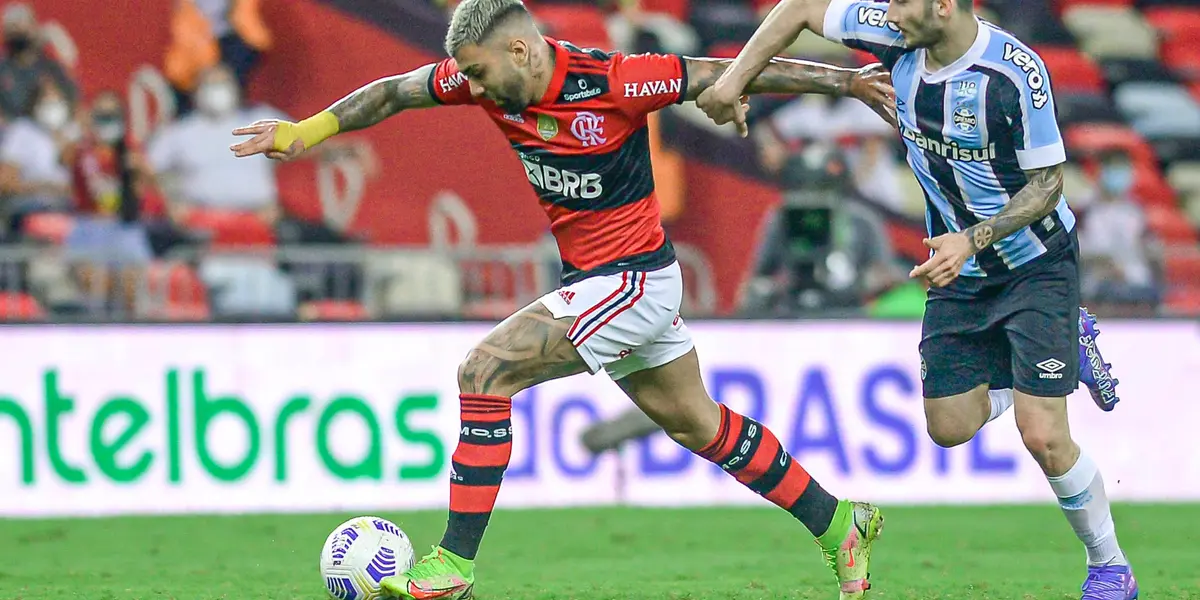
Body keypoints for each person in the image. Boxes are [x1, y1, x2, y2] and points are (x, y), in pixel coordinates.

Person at [231, 0, 895, 597]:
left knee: (483, 371)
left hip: (634, 279)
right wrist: (305, 131)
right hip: (602, 284)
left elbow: (714, 71)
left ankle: (454, 564)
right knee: (698, 424)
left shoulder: (614, 81)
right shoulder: (480, 77)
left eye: (482, 73)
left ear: (519, 50)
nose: (475, 86)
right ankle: (840, 523)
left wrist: (846, 81)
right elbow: (393, 93)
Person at [696, 1, 1136, 598]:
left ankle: (1109, 565)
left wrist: (974, 238)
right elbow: (798, 7)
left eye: (904, 3)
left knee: (1043, 434)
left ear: (945, 6)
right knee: (948, 427)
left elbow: (1049, 182)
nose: (890, 13)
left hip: (1034, 263)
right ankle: (1060, 351)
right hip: (960, 272)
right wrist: (732, 79)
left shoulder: (1015, 73)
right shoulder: (896, 31)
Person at [0, 2, 77, 120]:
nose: (17, 34)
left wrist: (55, 37)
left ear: (34, 29)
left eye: (22, 28)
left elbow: (73, 98)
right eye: (12, 29)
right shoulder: (3, 69)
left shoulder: (50, 67)